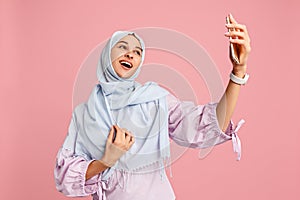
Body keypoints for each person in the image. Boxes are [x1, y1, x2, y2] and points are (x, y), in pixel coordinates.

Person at [54, 14, 251, 200]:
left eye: (137, 52)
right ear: (107, 54)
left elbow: (204, 126)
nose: (130, 54)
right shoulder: (84, 114)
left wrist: (238, 72)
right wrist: (107, 160)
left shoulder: (155, 100)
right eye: (122, 47)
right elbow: (65, 176)